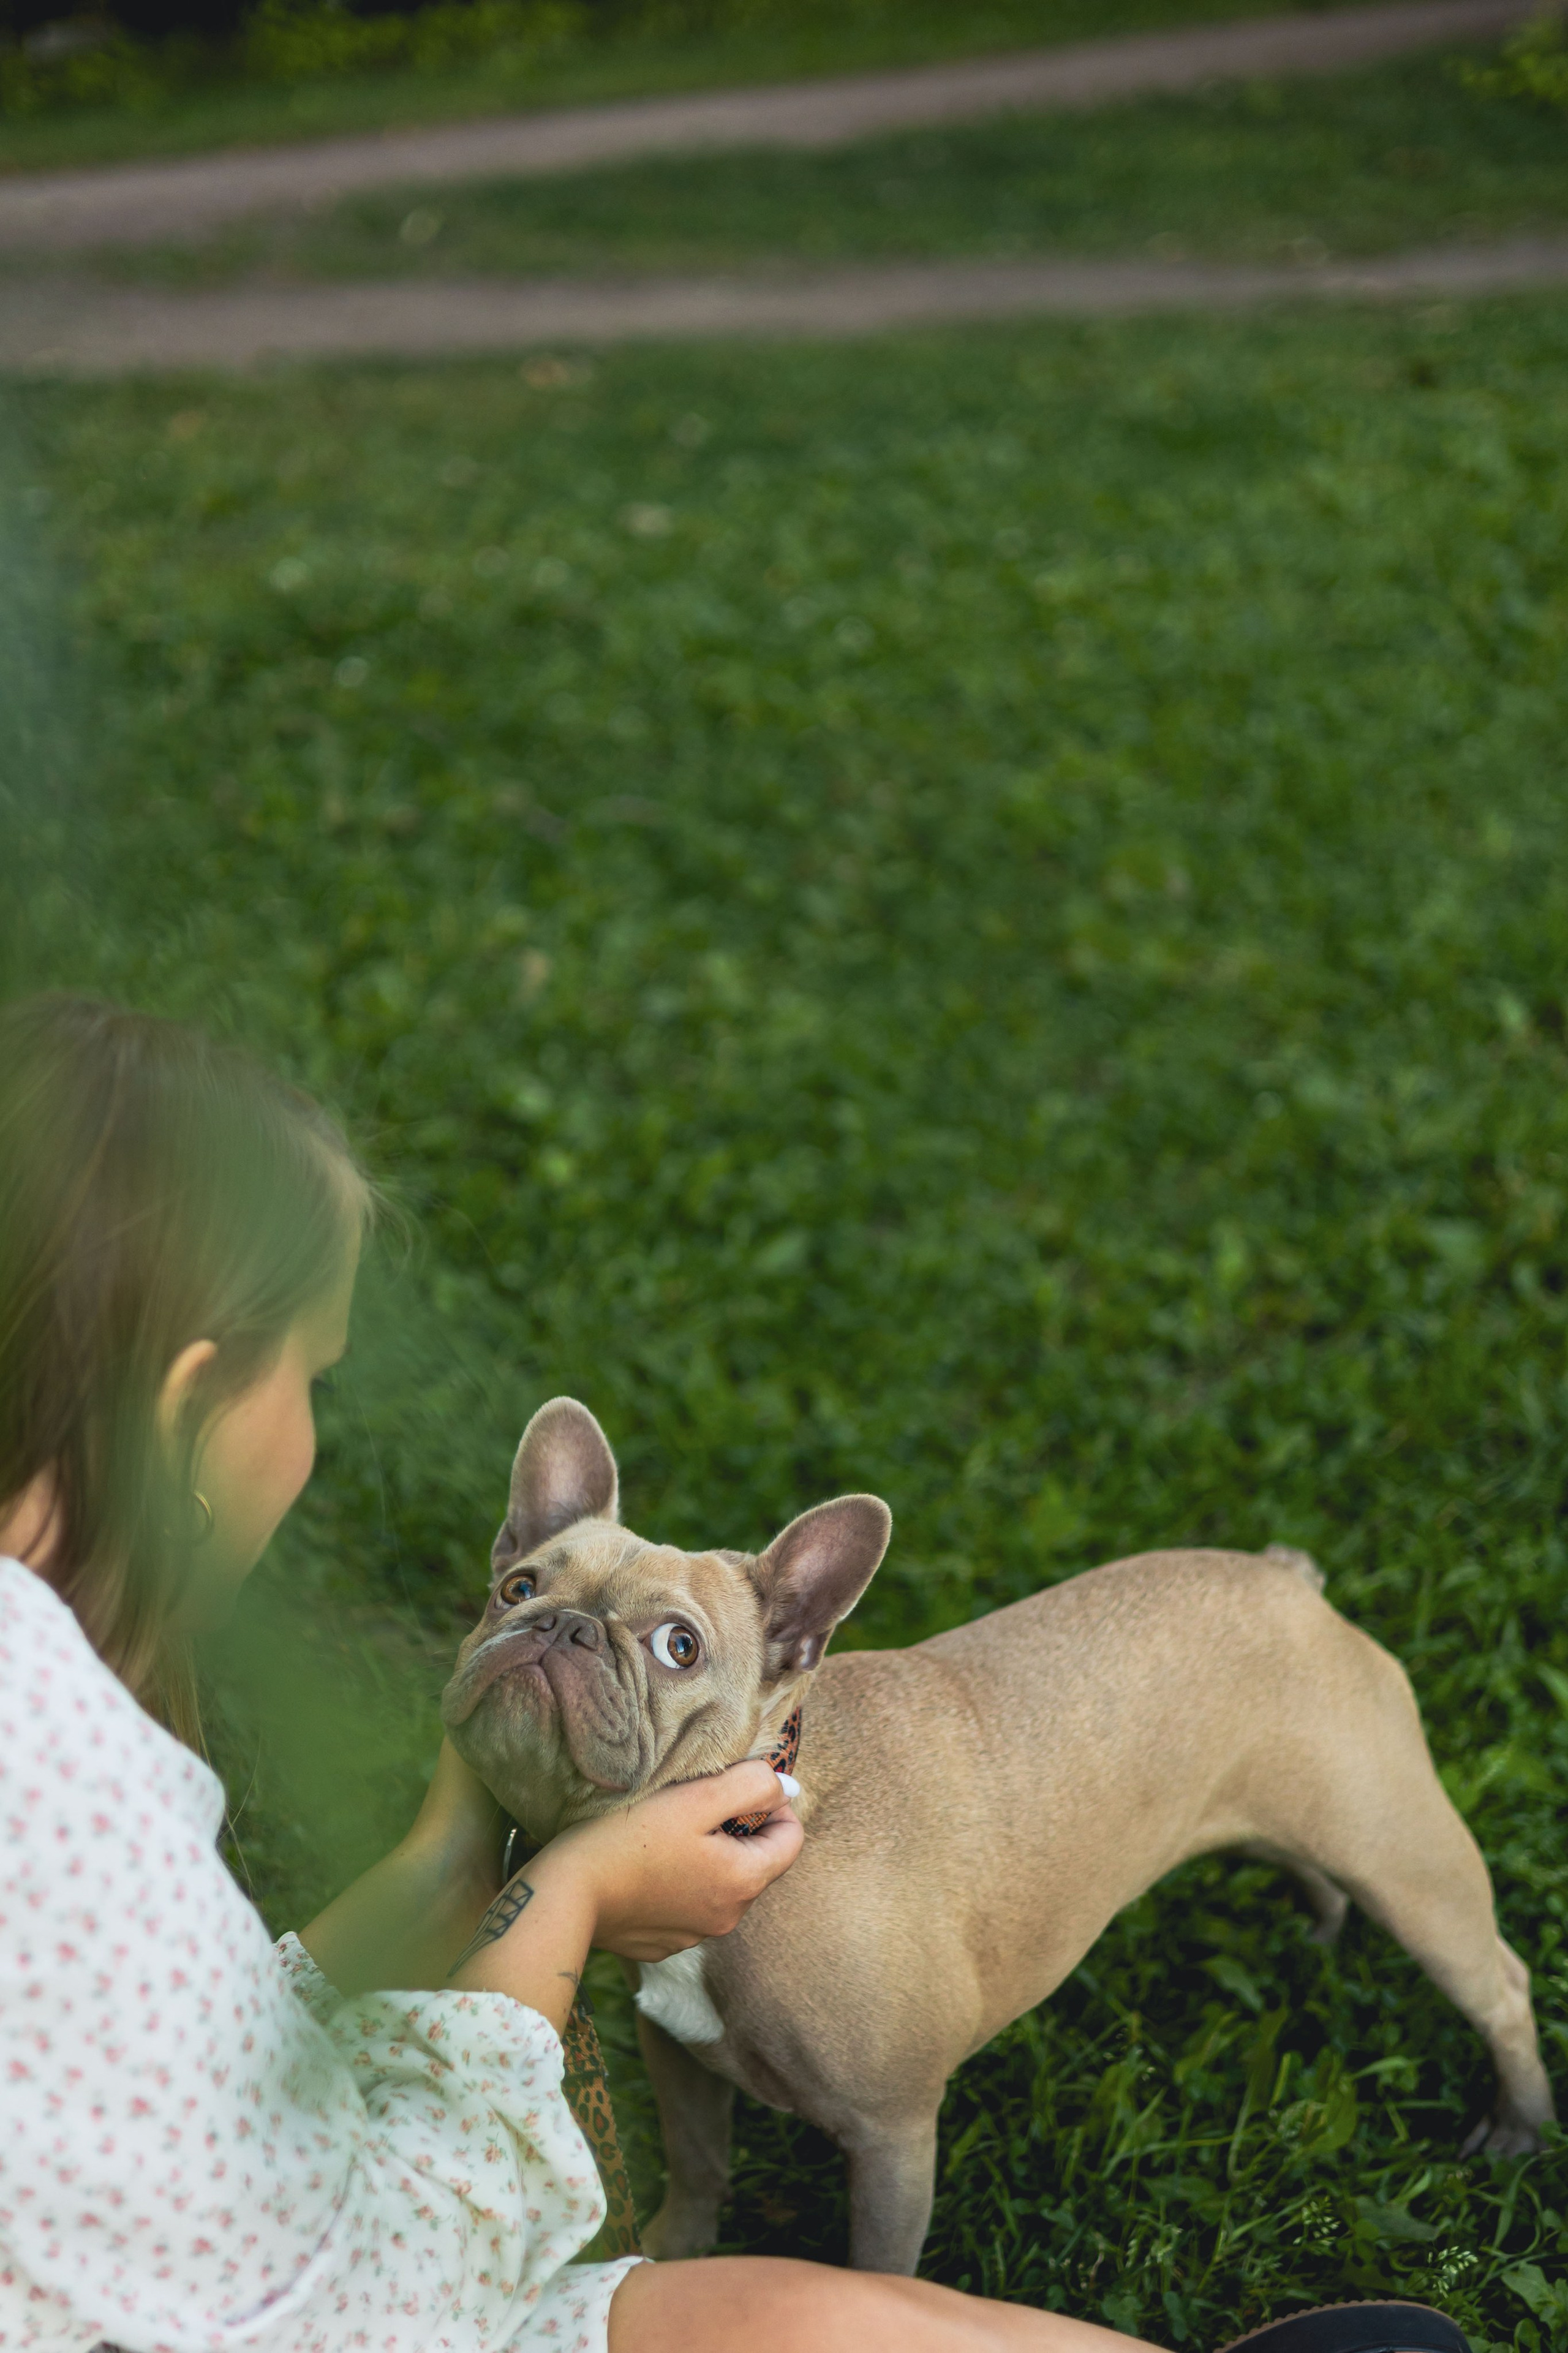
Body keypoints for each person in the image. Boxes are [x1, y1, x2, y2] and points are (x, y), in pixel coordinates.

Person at [0, 994, 1468, 2353]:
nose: (560, 1636)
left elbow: (185, 2055)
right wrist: (567, 1896)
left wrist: (465, 1848)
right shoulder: (66, 1778)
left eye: (662, 1642)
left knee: (830, 2313)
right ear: (190, 1401)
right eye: (531, 1593)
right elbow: (361, 2295)